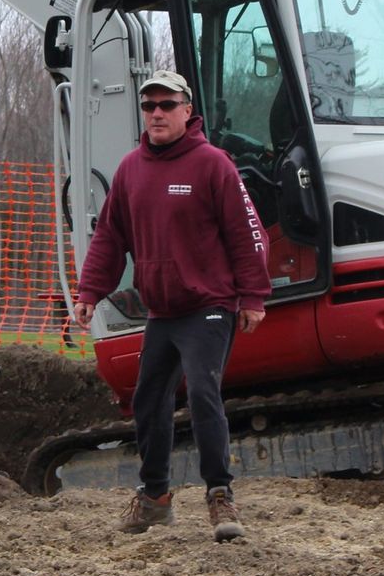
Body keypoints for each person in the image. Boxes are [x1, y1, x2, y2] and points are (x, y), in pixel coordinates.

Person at [73, 69, 269, 541]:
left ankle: (220, 497)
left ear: (187, 110)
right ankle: (155, 499)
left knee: (203, 391)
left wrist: (254, 295)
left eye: (166, 104)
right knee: (147, 400)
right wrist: (88, 293)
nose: (157, 113)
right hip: (161, 311)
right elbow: (108, 238)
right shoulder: (130, 169)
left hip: (210, 303)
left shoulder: (213, 164)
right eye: (149, 106)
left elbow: (248, 234)